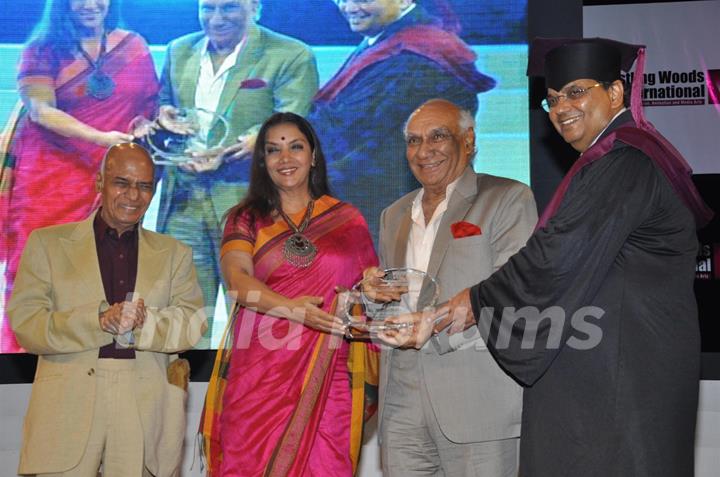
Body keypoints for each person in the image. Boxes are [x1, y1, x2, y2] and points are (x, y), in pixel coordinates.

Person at [394, 38, 714, 476]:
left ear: (616, 93)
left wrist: (471, 301)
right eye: (552, 99)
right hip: (620, 366)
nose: (562, 107)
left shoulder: (624, 162)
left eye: (576, 92)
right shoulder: (617, 158)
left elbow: (556, 257)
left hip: (620, 379)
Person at [9, 142, 206, 477]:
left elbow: (193, 323)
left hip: (143, 400)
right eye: (122, 183)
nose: (133, 195)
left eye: (144, 186)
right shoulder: (47, 243)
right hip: (68, 400)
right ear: (99, 183)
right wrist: (99, 321)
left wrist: (141, 324)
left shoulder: (176, 253)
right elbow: (26, 323)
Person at [198, 112, 378, 476]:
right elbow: (237, 280)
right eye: (273, 150)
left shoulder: (348, 220)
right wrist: (293, 310)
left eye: (296, 147)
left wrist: (375, 288)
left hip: (331, 376)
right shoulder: (245, 219)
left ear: (313, 156)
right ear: (262, 161)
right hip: (259, 379)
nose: (285, 158)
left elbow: (366, 292)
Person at [367, 99, 536, 476]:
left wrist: (432, 322)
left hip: (476, 396)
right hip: (401, 400)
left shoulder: (506, 198)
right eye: (413, 141)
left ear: (469, 141)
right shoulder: (393, 214)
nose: (423, 151)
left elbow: (514, 289)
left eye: (437, 136)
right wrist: (373, 297)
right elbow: (394, 305)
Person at [155, 0, 319, 344]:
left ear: (254, 7)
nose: (216, 19)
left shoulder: (290, 54)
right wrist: (164, 115)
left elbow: (291, 124)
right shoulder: (178, 50)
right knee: (182, 323)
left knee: (253, 327)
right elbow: (163, 106)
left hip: (250, 206)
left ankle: (245, 397)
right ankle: (187, 397)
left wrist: (241, 146)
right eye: (207, 8)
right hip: (183, 203)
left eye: (228, 8)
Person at [0, 0, 159, 352]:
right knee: (38, 273)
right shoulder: (43, 49)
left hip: (114, 183)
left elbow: (149, 106)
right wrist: (101, 139)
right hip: (48, 181)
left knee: (105, 276)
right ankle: (23, 362)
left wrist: (149, 125)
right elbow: (41, 110)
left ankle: (91, 359)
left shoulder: (133, 46)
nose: (90, 5)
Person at [308, 0, 496, 244]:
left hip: (399, 211)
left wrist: (308, 177)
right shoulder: (389, 41)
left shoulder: (414, 57)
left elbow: (365, 138)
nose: (349, 7)